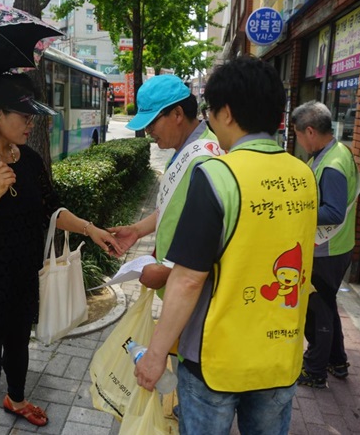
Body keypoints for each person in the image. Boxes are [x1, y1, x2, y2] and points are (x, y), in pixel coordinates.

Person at [134, 56, 318, 435]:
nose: (210, 121)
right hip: (280, 356)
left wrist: (155, 356)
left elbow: (187, 280)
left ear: (228, 113)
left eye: (211, 111)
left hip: (217, 360)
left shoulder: (217, 175)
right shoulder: (304, 175)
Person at [0, 73, 122, 434]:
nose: (31, 122)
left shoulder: (29, 160)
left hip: (22, 280)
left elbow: (51, 210)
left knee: (19, 350)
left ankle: (16, 400)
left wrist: (91, 230)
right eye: (23, 115)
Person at [107, 74, 221, 293]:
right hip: (179, 284)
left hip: (192, 291)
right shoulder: (183, 149)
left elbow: (212, 236)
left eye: (152, 123)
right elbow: (171, 207)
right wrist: (136, 230)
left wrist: (167, 271)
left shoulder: (204, 160)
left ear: (177, 114)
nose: (148, 131)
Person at [291, 101, 360, 389]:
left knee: (316, 311)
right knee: (328, 307)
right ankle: (338, 361)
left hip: (327, 251)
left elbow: (333, 212)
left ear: (310, 131)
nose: (297, 140)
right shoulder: (334, 152)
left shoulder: (332, 164)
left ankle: (315, 370)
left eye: (296, 134)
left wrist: (296, 209)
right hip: (335, 248)